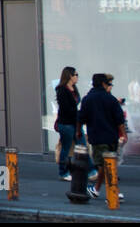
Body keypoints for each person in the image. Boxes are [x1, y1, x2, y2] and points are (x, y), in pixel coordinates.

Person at [79, 73, 127, 201]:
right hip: (112, 137)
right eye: (108, 83)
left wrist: (79, 131)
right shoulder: (110, 99)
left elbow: (81, 118)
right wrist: (124, 134)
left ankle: (113, 192)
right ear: (104, 84)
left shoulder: (87, 99)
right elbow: (119, 119)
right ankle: (98, 190)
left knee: (103, 166)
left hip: (97, 137)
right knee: (108, 164)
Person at [54, 66, 81, 181]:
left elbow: (75, 104)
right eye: (76, 74)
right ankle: (63, 172)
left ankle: (89, 171)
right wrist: (78, 114)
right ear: (70, 76)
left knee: (81, 145)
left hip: (74, 123)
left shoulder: (74, 88)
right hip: (66, 123)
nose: (77, 77)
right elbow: (66, 108)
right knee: (66, 147)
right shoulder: (62, 90)